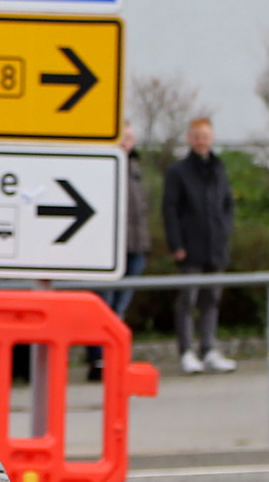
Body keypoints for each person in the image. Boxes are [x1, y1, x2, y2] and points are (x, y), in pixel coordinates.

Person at [162, 116, 237, 374]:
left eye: (205, 135)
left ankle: (209, 349)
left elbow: (228, 203)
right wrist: (176, 243)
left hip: (215, 245)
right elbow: (169, 210)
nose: (201, 140)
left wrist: (225, 231)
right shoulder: (178, 171)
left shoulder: (219, 168)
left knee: (211, 299)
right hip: (189, 246)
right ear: (189, 138)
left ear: (212, 138)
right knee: (187, 299)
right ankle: (186, 351)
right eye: (196, 135)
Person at [87, 121, 150, 382]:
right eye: (124, 137)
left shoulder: (135, 167)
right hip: (109, 249)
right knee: (104, 306)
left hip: (136, 246)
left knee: (120, 308)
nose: (128, 142)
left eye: (131, 137)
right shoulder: (104, 168)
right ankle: (97, 359)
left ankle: (114, 357)